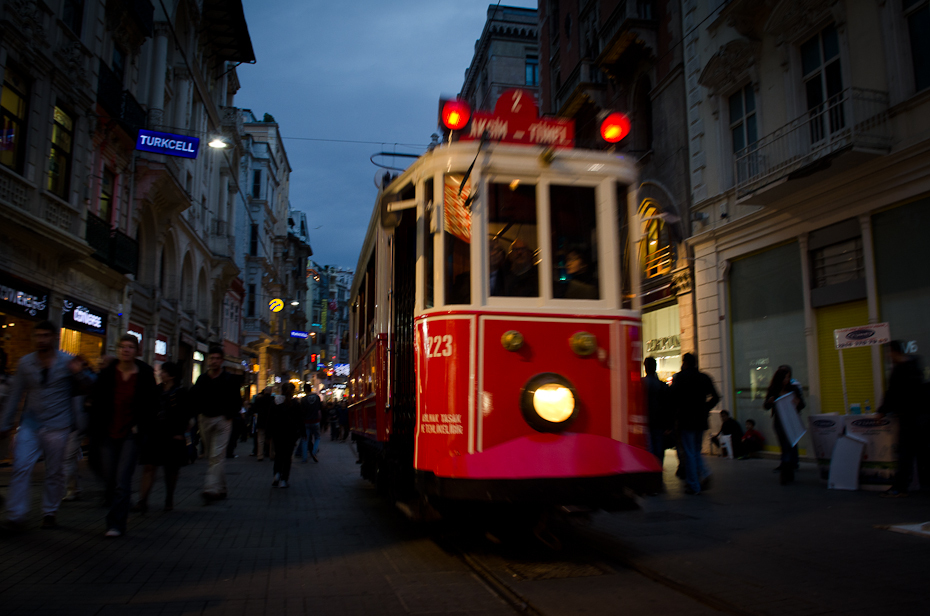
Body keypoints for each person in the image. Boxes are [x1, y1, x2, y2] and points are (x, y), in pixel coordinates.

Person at [0, 321, 90, 530]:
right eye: (38, 335)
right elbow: (15, 394)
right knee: (21, 466)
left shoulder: (67, 362)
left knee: (54, 471)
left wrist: (79, 372)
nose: (41, 340)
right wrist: (5, 423)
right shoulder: (25, 363)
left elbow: (85, 388)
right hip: (31, 423)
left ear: (54, 338)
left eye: (45, 335)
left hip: (58, 425)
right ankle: (16, 515)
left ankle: (50, 511)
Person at [88, 334, 159, 537]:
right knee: (110, 477)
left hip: (131, 433)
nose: (125, 350)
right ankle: (120, 507)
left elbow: (152, 403)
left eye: (130, 347)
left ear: (136, 351)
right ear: (118, 349)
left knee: (122, 479)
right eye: (122, 347)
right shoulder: (109, 373)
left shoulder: (144, 373)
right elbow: (98, 399)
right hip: (108, 431)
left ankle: (116, 523)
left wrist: (142, 425)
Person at [133, 362, 190, 512]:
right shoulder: (155, 391)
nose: (161, 374)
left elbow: (185, 415)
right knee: (149, 466)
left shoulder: (181, 393)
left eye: (164, 372)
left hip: (172, 435)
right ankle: (143, 500)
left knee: (171, 469)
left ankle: (169, 498)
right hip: (155, 433)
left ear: (172, 375)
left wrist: (180, 432)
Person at [189, 347, 242, 502]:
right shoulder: (202, 379)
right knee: (212, 456)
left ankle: (210, 489)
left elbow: (236, 399)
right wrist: (195, 414)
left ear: (222, 361)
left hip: (222, 420)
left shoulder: (229, 378)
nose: (214, 361)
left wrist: (229, 415)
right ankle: (222, 487)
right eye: (211, 358)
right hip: (205, 419)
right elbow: (195, 397)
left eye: (217, 358)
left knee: (216, 455)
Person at [877, 341, 925, 497]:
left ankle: (901, 486)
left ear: (894, 352)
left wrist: (882, 411)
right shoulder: (914, 367)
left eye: (889, 353)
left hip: (909, 416)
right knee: (919, 452)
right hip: (919, 416)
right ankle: (919, 484)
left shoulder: (901, 370)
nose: (888, 356)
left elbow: (892, 393)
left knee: (905, 452)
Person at [670, 353, 720, 495]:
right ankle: (704, 472)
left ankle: (694, 484)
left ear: (684, 362)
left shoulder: (680, 378)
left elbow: (672, 397)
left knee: (689, 452)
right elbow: (716, 397)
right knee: (696, 450)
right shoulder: (704, 377)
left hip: (686, 419)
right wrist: (705, 407)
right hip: (701, 419)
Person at [763, 365, 805, 485]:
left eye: (788, 377)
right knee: (785, 446)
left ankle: (788, 469)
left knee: (790, 446)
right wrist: (770, 402)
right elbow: (766, 405)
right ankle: (787, 470)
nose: (787, 380)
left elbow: (802, 404)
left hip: (792, 420)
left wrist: (798, 403)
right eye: (785, 377)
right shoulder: (774, 390)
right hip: (779, 421)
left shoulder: (793, 389)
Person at [269, 383, 302, 488]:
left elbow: (270, 419)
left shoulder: (275, 402)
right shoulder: (295, 404)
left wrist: (268, 434)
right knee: (287, 457)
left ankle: (277, 474)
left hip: (277, 433)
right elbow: (299, 420)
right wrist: (301, 432)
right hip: (290, 434)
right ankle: (284, 480)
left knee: (278, 455)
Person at [642, 357, 671, 463]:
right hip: (659, 421)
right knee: (659, 448)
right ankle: (658, 470)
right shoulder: (662, 385)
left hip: (646, 420)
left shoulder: (641, 384)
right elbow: (667, 405)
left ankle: (651, 471)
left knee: (648, 448)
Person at [299, 384, 322, 462]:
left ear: (305, 389)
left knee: (305, 440)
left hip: (306, 422)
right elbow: (320, 409)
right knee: (317, 437)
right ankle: (314, 452)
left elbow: (301, 412)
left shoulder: (303, 399)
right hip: (315, 421)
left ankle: (304, 458)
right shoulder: (317, 397)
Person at [251, 387, 273, 460]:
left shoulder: (259, 399)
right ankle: (271, 454)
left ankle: (260, 455)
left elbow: (254, 409)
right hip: (270, 421)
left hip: (261, 421)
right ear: (270, 392)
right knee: (270, 439)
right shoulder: (273, 399)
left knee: (260, 439)